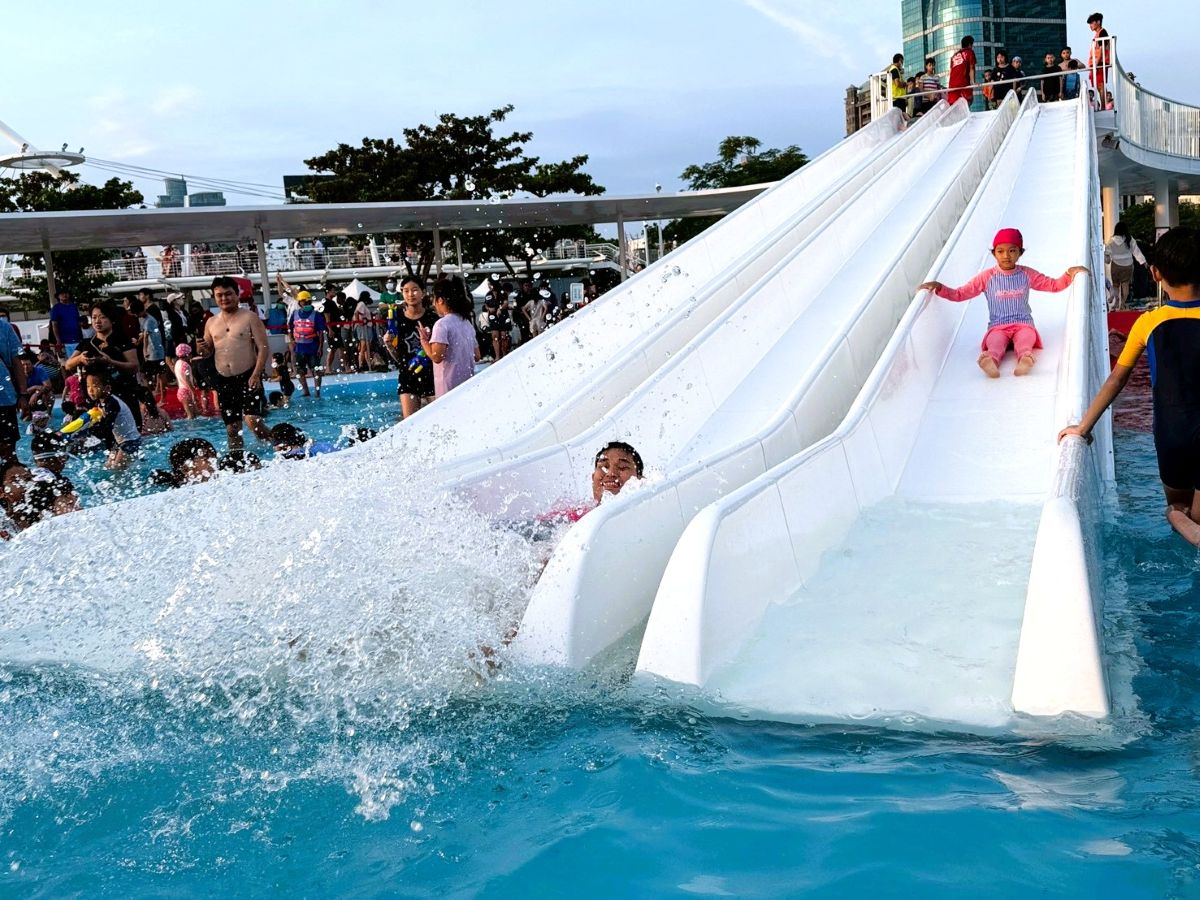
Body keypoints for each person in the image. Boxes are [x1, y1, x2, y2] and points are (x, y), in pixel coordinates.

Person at [1060, 228, 1200, 544]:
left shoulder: (1148, 322)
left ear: (1155, 273)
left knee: (1179, 509)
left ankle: (1177, 517)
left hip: (1171, 434)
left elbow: (1117, 379)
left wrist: (1082, 427)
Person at [919, 227, 1088, 378]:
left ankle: (1024, 359)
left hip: (1023, 324)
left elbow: (1053, 285)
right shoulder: (987, 277)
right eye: (1000, 251)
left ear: (1020, 253)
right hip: (998, 326)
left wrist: (1069, 274)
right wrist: (940, 288)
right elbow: (960, 294)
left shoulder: (1026, 274)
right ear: (994, 254)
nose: (1006, 256)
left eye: (1012, 251)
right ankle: (990, 361)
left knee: (1025, 339)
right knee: (995, 342)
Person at [202, 275, 271, 451]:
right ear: (214, 296)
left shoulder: (249, 317)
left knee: (253, 422)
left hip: (248, 376)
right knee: (232, 430)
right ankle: (237, 463)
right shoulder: (211, 322)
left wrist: (256, 374)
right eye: (219, 295)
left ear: (237, 294)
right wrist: (201, 349)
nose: (224, 298)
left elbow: (263, 348)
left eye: (228, 294)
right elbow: (208, 351)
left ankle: (279, 444)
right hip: (224, 379)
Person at [64, 301, 144, 429]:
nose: (97, 321)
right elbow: (68, 365)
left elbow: (134, 366)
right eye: (94, 317)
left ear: (112, 319)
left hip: (124, 395)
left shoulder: (123, 340)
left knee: (131, 434)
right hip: (95, 400)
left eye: (102, 317)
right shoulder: (87, 343)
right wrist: (80, 358)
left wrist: (111, 362)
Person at [416, 275, 479, 398]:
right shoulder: (466, 323)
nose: (433, 303)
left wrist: (424, 341)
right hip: (467, 386)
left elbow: (437, 357)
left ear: (440, 300)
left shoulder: (442, 324)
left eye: (434, 299)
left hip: (448, 389)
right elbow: (477, 356)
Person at [394, 276, 438, 418]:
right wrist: (388, 345)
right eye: (406, 291)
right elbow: (397, 357)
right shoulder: (397, 320)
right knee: (410, 423)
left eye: (414, 290)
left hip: (431, 375)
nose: (410, 294)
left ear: (423, 292)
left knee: (437, 421)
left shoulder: (433, 318)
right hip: (408, 377)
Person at [81, 369, 141, 470]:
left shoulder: (112, 404)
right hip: (120, 441)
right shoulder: (101, 402)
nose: (90, 390)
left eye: (95, 386)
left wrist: (89, 432)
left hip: (131, 441)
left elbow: (107, 427)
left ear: (107, 388)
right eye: (88, 386)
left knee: (117, 470)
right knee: (108, 467)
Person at [287, 290, 326, 398]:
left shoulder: (316, 315)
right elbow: (290, 328)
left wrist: (320, 347)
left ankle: (317, 393)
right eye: (303, 301)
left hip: (313, 346)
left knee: (316, 370)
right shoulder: (294, 314)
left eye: (308, 301)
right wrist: (291, 339)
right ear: (299, 303)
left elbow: (321, 332)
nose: (306, 303)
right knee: (299, 370)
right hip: (299, 347)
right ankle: (305, 391)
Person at [0, 316, 27, 464]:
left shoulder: (4, 327)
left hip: (4, 398)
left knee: (8, 451)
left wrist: (23, 394)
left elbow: (17, 362)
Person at [1105, 222, 1148, 310]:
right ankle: (1123, 304)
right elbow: (1137, 252)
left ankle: (1116, 302)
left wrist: (1107, 260)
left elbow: (1107, 253)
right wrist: (1143, 262)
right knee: (1125, 284)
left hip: (1116, 265)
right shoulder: (1129, 239)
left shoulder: (1111, 241)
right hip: (1128, 266)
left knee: (1116, 285)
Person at [270, 422, 338, 459]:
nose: (273, 446)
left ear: (284, 443)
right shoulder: (310, 446)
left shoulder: (293, 454)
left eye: (274, 442)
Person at [1087, 12, 1112, 108]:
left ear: (1098, 22)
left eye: (1091, 23)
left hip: (1100, 63)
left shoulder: (1102, 32)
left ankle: (1103, 107)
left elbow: (1101, 49)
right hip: (1096, 63)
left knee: (1100, 85)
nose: (1090, 26)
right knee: (1098, 85)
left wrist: (1096, 64)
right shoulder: (1097, 34)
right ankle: (1103, 106)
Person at [48, 289, 82, 356]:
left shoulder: (74, 306)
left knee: (79, 363)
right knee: (67, 364)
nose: (64, 295)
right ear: (58, 296)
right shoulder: (56, 308)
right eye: (62, 293)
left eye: (66, 293)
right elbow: (54, 324)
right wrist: (58, 340)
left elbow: (78, 322)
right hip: (64, 342)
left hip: (77, 340)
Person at [947, 36, 976, 107]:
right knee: (969, 100)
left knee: (954, 105)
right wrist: (973, 82)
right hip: (963, 83)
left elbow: (951, 71)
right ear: (970, 44)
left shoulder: (954, 56)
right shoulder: (969, 52)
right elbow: (972, 68)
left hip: (952, 85)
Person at [173, 343, 200, 419]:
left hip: (181, 391)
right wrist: (193, 392)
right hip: (186, 391)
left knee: (194, 414)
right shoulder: (185, 365)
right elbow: (187, 380)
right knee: (191, 416)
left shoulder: (177, 363)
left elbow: (179, 379)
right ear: (187, 355)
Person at [353, 290, 374, 371]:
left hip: (366, 326)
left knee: (366, 347)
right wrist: (359, 322)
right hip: (363, 327)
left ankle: (367, 364)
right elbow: (356, 313)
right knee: (364, 346)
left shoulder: (363, 304)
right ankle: (360, 365)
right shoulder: (361, 304)